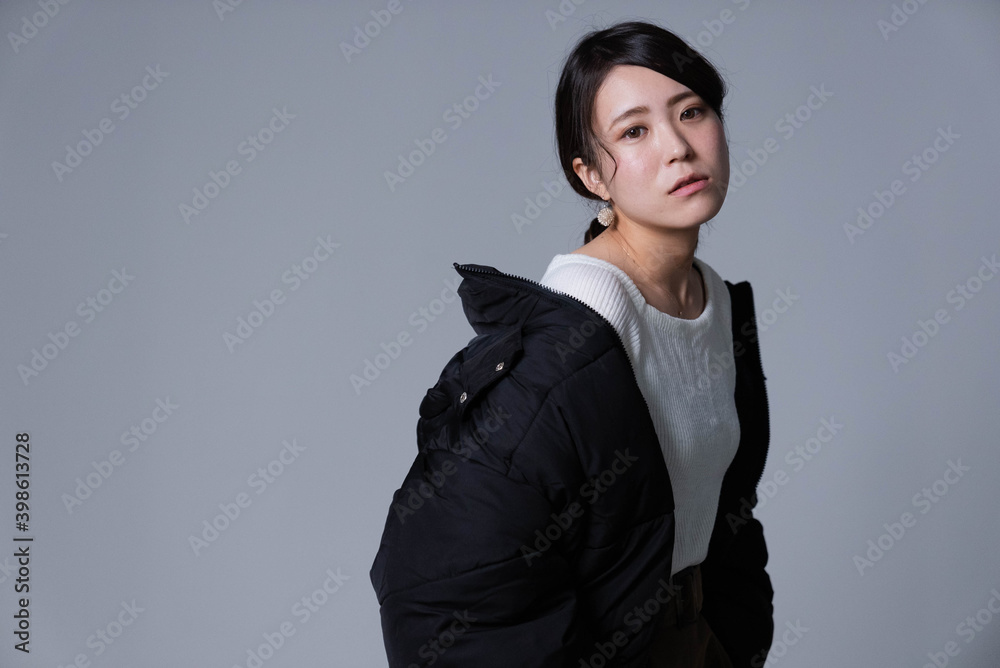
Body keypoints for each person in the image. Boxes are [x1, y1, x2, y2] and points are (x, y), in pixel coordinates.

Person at [370, 20, 774, 667]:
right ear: (590, 176)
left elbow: (720, 506)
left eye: (691, 111)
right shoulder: (575, 335)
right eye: (634, 131)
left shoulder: (716, 302)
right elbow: (444, 583)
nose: (677, 147)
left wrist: (731, 629)